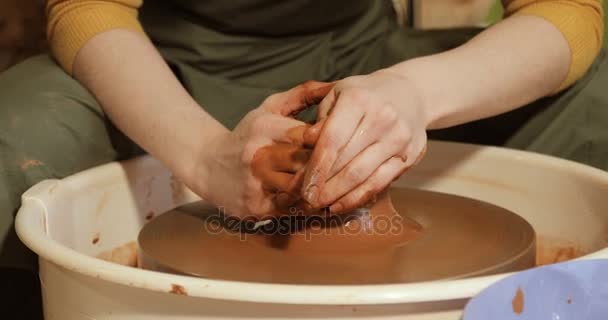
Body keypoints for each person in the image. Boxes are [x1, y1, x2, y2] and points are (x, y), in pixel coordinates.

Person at [0, 0, 605, 318]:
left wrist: (418, 93)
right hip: (165, 69)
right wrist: (204, 154)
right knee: (19, 123)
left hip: (365, 56)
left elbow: (568, 10)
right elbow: (86, 8)